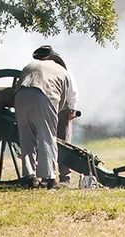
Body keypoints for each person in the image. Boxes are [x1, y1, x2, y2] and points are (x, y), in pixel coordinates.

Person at [13, 45, 75, 189]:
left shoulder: (30, 65)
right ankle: (49, 178)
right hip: (44, 97)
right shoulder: (63, 71)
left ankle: (29, 177)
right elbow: (64, 98)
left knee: (26, 138)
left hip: (20, 97)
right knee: (47, 137)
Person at [44, 48, 78, 184]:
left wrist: (73, 108)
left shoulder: (63, 69)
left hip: (63, 109)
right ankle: (48, 176)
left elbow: (73, 89)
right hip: (47, 109)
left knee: (63, 143)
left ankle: (65, 177)